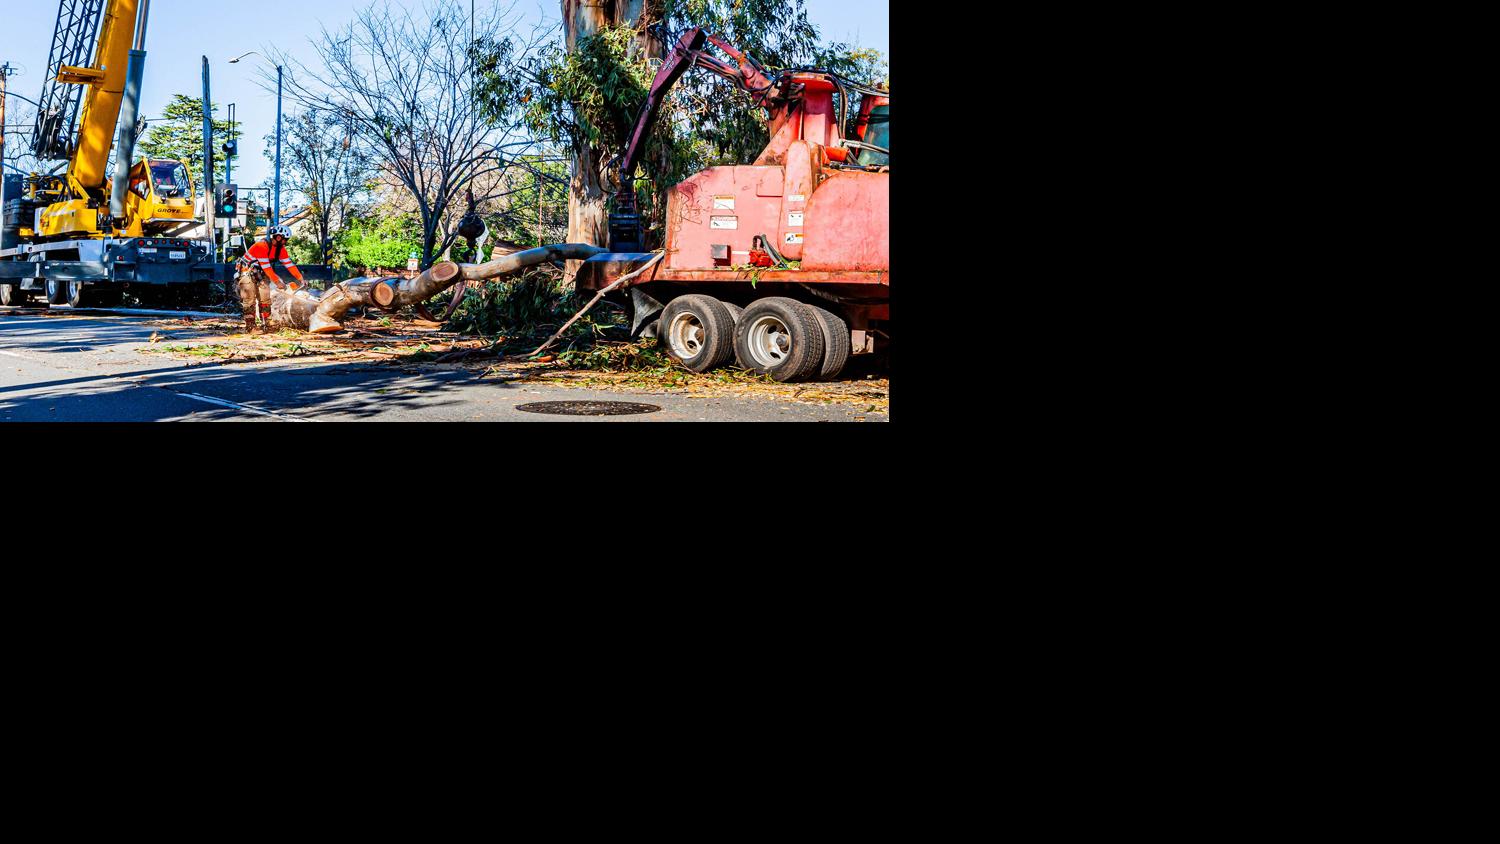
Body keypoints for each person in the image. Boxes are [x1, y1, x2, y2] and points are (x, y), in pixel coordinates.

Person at [235, 224, 305, 334]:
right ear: (278, 237)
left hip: (260, 273)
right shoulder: (261, 246)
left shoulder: (280, 249)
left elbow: (289, 265)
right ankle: (251, 326)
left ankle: (267, 323)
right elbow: (267, 268)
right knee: (249, 299)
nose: (286, 242)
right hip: (247, 272)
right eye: (285, 239)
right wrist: (277, 282)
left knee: (265, 298)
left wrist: (301, 279)